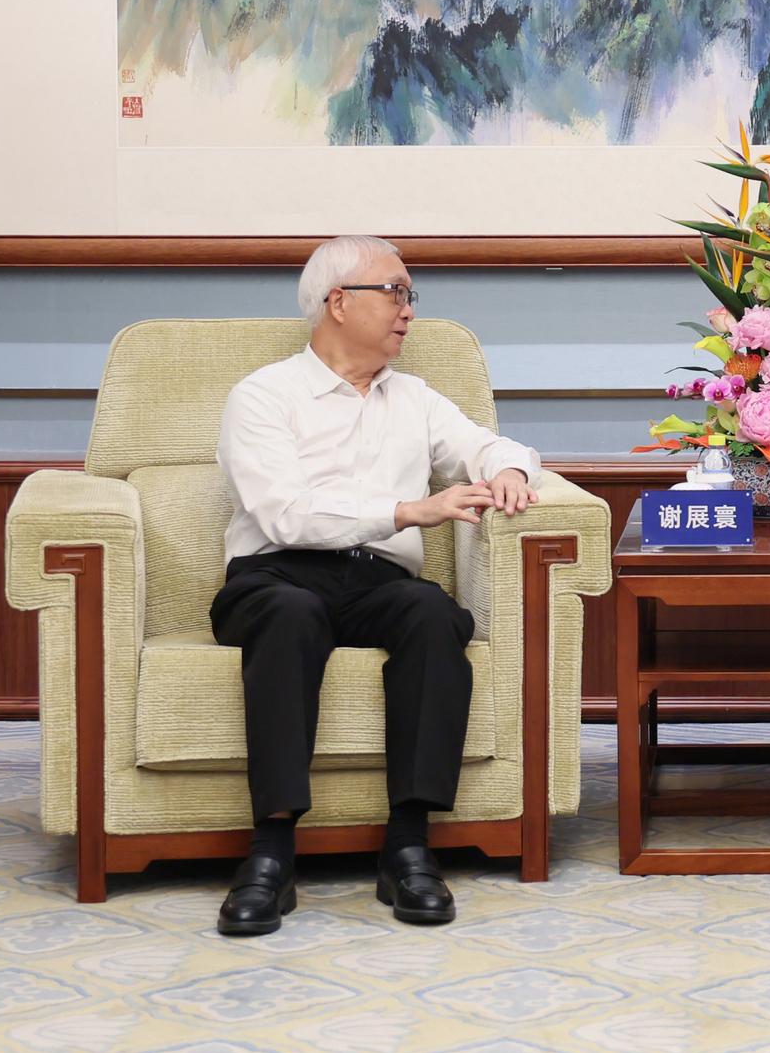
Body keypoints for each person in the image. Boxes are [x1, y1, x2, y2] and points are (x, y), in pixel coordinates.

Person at [207, 235, 537, 935]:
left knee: (433, 615)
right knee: (292, 616)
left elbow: (488, 444)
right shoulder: (264, 395)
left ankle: (408, 846)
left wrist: (509, 471)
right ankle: (270, 854)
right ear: (336, 302)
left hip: (377, 579)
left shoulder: (413, 398)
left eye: (409, 295)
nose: (407, 310)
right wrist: (408, 511)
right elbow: (283, 513)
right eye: (394, 292)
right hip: (275, 574)